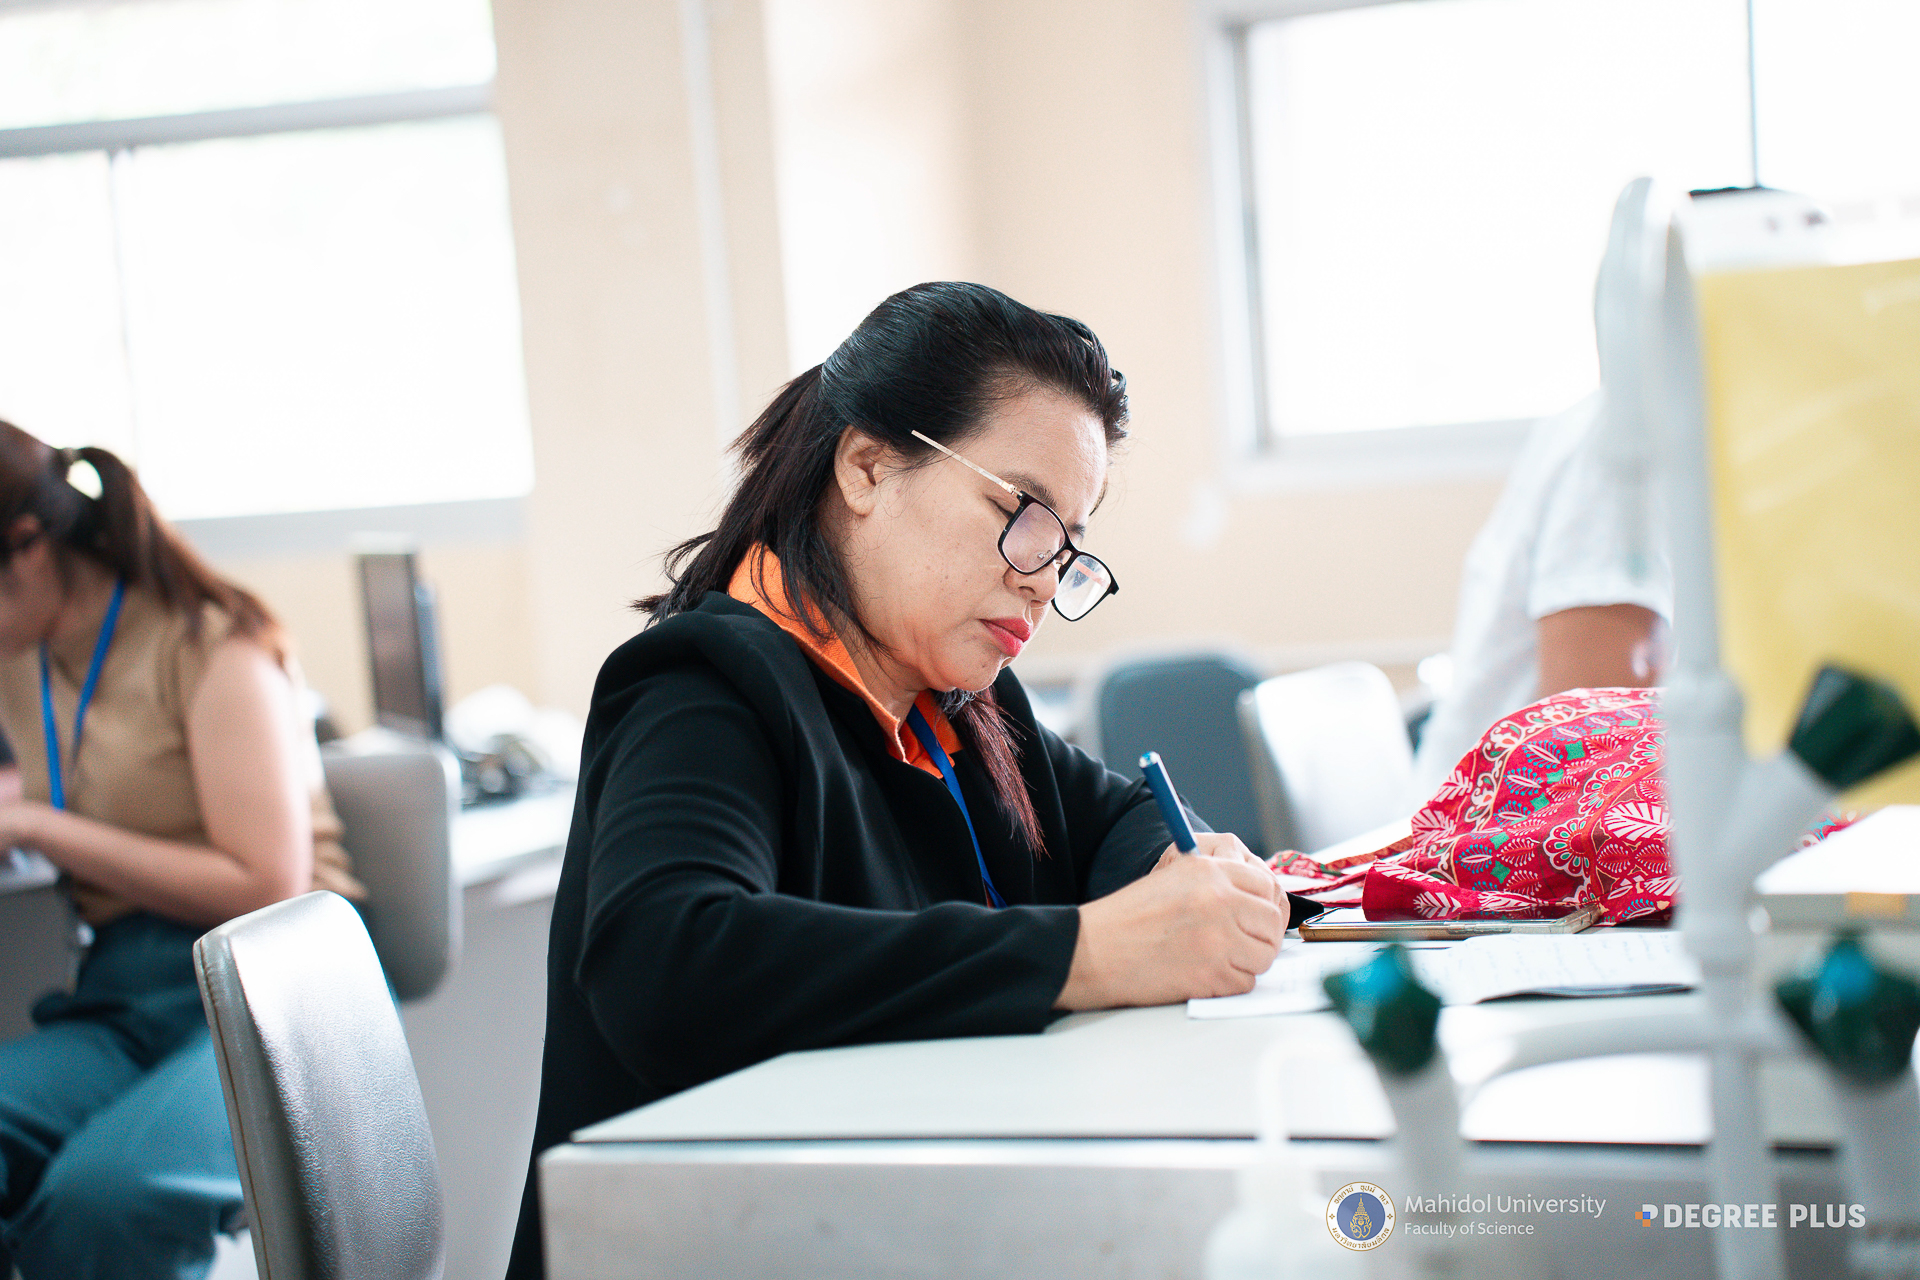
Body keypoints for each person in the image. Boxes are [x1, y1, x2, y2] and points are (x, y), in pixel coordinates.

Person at [506, 282, 1317, 1278]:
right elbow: (665, 962)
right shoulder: (702, 684)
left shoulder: (960, 699)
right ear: (867, 465)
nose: (1040, 576)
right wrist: (1090, 952)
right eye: (1020, 512)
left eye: (1067, 543)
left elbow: (1120, 816)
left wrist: (1187, 875)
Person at [0, 423, 360, 1280]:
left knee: (104, 1204)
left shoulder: (210, 642)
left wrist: (37, 825)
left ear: (29, 546)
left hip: (277, 990)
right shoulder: (22, 654)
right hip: (126, 994)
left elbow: (266, 881)